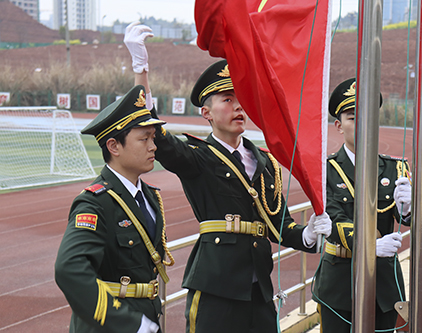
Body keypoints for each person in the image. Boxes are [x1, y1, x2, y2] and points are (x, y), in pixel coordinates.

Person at [124, 22, 332, 333]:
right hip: (216, 289)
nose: (237, 106)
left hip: (259, 291)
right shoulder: (198, 157)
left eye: (239, 98)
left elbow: (278, 224)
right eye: (226, 99)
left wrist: (308, 234)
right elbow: (155, 131)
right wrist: (141, 69)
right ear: (206, 113)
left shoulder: (265, 161)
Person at [54, 85, 174, 333]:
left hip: (147, 318)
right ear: (114, 146)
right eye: (144, 139)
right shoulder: (95, 202)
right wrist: (131, 323)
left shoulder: (150, 197)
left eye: (153, 138)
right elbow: (69, 269)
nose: (153, 146)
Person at [312, 78, 412, 332]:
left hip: (382, 281)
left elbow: (409, 221)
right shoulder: (326, 170)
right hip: (339, 280)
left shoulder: (396, 168)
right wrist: (369, 246)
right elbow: (331, 220)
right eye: (352, 117)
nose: (362, 123)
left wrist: (408, 209)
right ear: (339, 125)